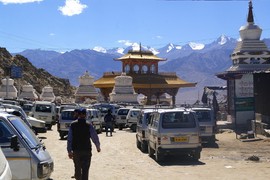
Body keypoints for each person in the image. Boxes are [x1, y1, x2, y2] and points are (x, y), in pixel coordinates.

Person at [67, 108, 101, 180]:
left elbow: (69, 138)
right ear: (85, 115)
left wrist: (69, 150)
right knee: (85, 170)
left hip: (76, 151)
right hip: (86, 150)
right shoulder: (89, 125)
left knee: (77, 169)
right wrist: (98, 147)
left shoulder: (73, 125)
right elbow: (94, 136)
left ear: (78, 115)